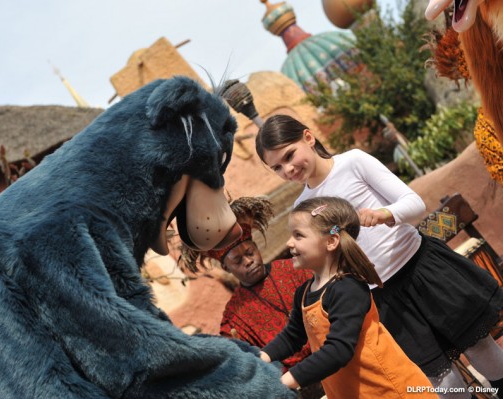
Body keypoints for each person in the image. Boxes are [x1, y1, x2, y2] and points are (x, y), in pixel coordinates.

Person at [255, 114, 503, 397]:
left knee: (483, 351)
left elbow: (414, 204)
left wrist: (384, 214)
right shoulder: (303, 207)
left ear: (308, 138)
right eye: (277, 167)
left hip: (422, 270)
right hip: (382, 299)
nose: (288, 169)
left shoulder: (353, 162)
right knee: (444, 386)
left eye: (289, 155)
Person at [260, 196, 437, 398]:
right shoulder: (304, 292)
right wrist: (258, 359)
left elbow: (339, 349)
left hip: (391, 391)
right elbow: (292, 336)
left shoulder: (347, 288)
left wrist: (285, 382)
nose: (289, 242)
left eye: (298, 235)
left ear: (331, 241)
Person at [181, 196, 323, 399]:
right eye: (237, 260)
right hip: (299, 386)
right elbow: (243, 363)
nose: (248, 261)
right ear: (226, 267)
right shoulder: (234, 317)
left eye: (250, 252)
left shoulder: (297, 268)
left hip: (337, 354)